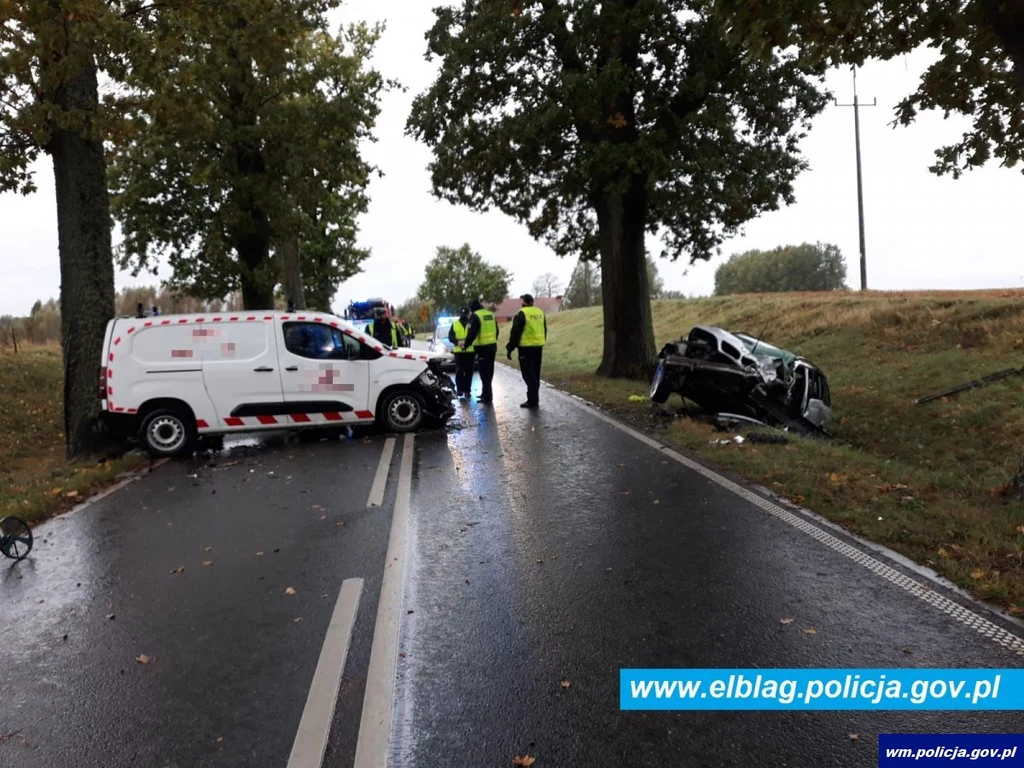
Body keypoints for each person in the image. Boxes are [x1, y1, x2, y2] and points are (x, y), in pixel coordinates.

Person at [506, 294, 547, 408]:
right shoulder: (540, 312)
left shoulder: (521, 313)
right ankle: (534, 398)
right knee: (535, 373)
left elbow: (515, 332)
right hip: (538, 346)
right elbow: (544, 329)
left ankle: (532, 400)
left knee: (528, 374)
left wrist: (510, 348)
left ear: (523, 302)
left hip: (526, 348)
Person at [463, 297, 499, 403]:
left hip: (483, 348)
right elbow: (496, 331)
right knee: (489, 372)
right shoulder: (490, 314)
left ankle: (487, 397)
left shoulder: (476, 316)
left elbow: (472, 333)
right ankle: (486, 393)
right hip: (492, 346)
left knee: (484, 373)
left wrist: (466, 344)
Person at [449, 307, 476, 397]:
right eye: (462, 314)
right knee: (459, 372)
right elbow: (450, 336)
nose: (464, 315)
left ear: (468, 314)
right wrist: (457, 342)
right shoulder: (455, 324)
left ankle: (467, 391)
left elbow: (475, 335)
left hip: (470, 351)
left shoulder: (472, 323)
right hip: (459, 352)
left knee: (469, 372)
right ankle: (460, 390)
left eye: (465, 314)